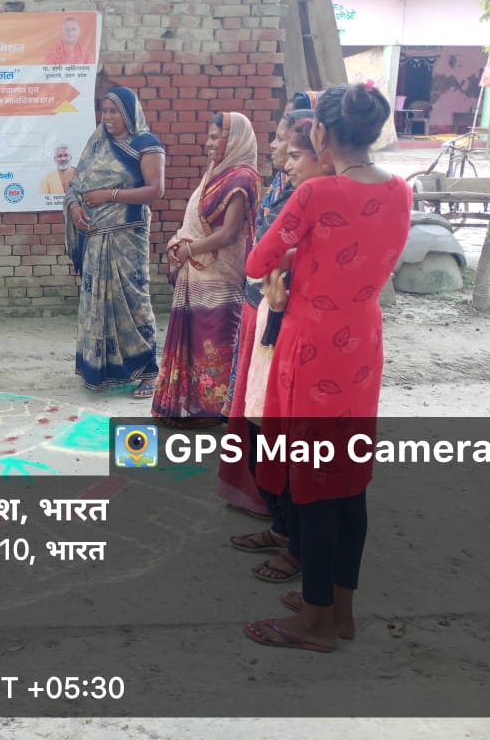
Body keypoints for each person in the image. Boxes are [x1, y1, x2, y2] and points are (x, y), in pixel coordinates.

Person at [243, 83, 412, 653]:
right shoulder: (400, 190)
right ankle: (341, 608)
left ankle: (315, 621)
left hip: (313, 347)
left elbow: (257, 261)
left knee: (313, 483)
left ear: (321, 133)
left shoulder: (316, 194)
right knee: (349, 480)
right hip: (362, 344)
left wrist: (295, 253)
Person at [223, 110, 331, 585]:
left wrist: (280, 264)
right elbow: (262, 261)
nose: (284, 159)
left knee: (289, 439)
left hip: (296, 330)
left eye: (294, 151)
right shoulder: (292, 191)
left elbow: (260, 258)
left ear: (324, 155)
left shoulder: (317, 201)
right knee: (260, 427)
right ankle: (283, 527)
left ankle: (296, 545)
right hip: (269, 316)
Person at [152, 112, 261, 423]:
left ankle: (216, 409)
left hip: (221, 275)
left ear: (233, 139)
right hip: (199, 271)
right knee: (196, 337)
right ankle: (192, 406)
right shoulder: (217, 173)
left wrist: (188, 249)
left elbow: (229, 234)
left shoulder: (241, 178)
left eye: (215, 137)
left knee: (216, 338)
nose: (208, 143)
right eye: (209, 137)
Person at [64, 87, 165, 396]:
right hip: (95, 238)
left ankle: (149, 372)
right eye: (104, 110)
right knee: (97, 305)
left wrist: (110, 195)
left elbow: (155, 190)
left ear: (129, 113)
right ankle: (103, 369)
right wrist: (75, 209)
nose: (107, 117)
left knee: (133, 302)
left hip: (127, 238)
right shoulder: (98, 142)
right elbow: (76, 186)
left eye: (114, 111)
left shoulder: (146, 144)